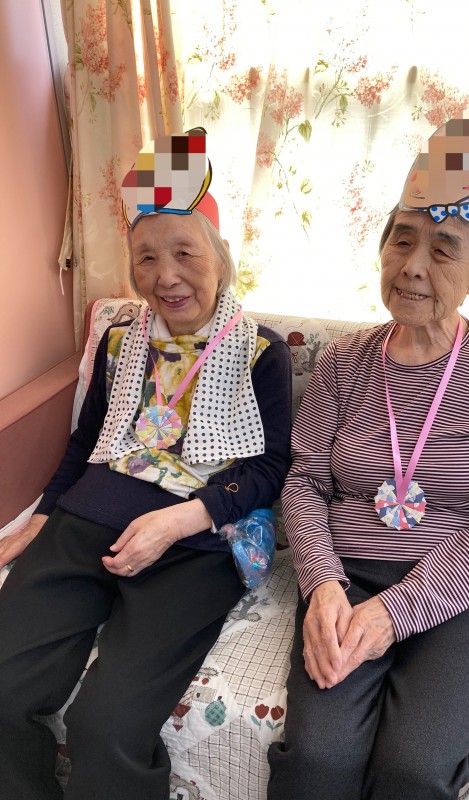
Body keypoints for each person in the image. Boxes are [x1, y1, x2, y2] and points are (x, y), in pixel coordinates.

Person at [0, 128, 292, 800]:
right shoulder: (117, 341)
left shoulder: (261, 351)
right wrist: (42, 518)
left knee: (109, 725)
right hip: (88, 520)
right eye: (147, 258)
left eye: (185, 252)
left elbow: (271, 467)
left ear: (220, 256)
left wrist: (181, 520)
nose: (166, 277)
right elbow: (87, 442)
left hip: (196, 542)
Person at [268, 115, 469, 800]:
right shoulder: (344, 362)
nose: (414, 266)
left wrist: (397, 613)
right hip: (347, 580)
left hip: (461, 593)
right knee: (316, 759)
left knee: (415, 772)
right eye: (402, 239)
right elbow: (305, 482)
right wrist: (323, 585)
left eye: (444, 249)